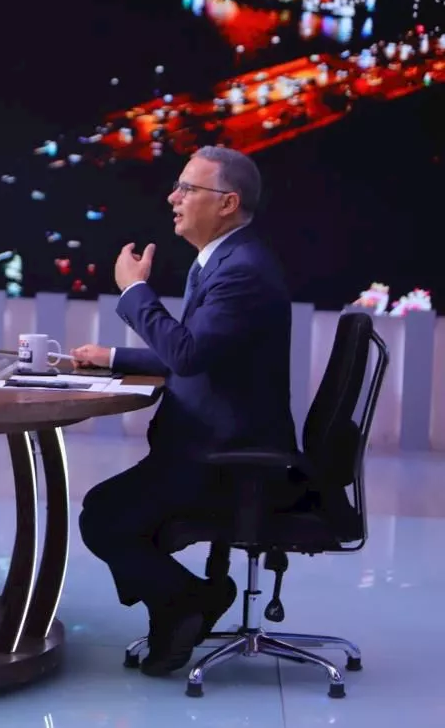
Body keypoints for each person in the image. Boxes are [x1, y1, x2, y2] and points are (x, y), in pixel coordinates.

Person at [72, 145, 296, 676]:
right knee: (111, 511)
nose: (173, 198)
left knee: (104, 518)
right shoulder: (226, 259)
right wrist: (114, 358)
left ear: (228, 203)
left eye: (188, 189)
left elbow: (189, 355)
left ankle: (187, 602)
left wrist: (135, 291)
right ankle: (180, 606)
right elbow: (201, 350)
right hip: (216, 444)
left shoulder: (241, 270)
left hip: (229, 459)